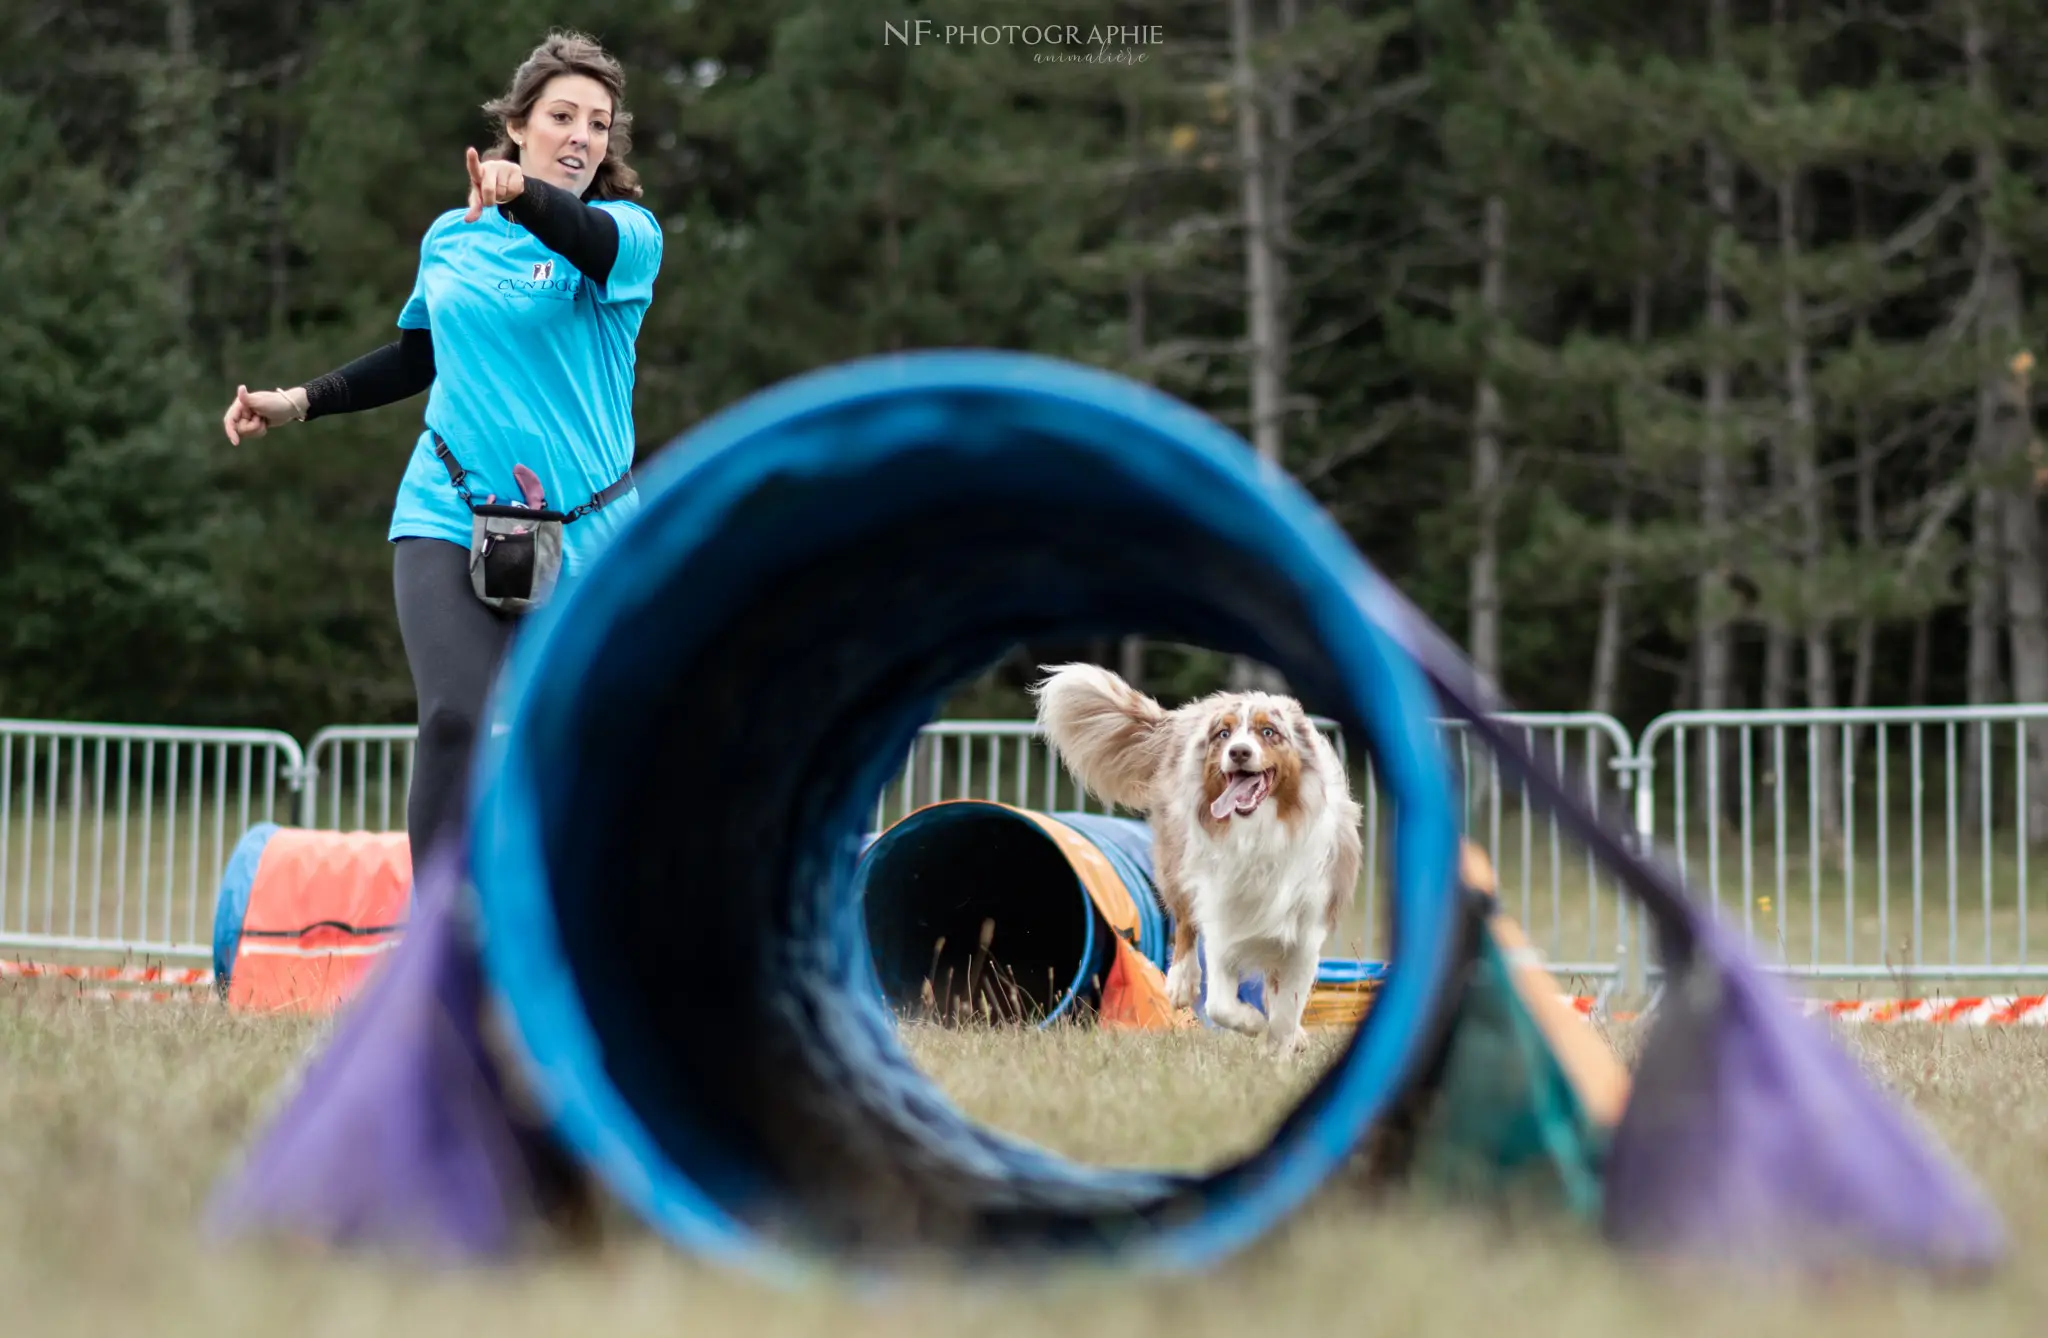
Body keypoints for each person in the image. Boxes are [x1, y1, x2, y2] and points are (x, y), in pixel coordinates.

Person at [221, 30, 664, 872]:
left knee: (592, 741)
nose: (581, 135)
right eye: (561, 115)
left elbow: (583, 238)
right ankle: (435, 962)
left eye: (598, 124)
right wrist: (300, 401)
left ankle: (580, 940)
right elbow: (417, 358)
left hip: (587, 533)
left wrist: (523, 193)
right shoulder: (451, 237)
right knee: (456, 719)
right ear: (519, 122)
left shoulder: (627, 235)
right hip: (447, 507)